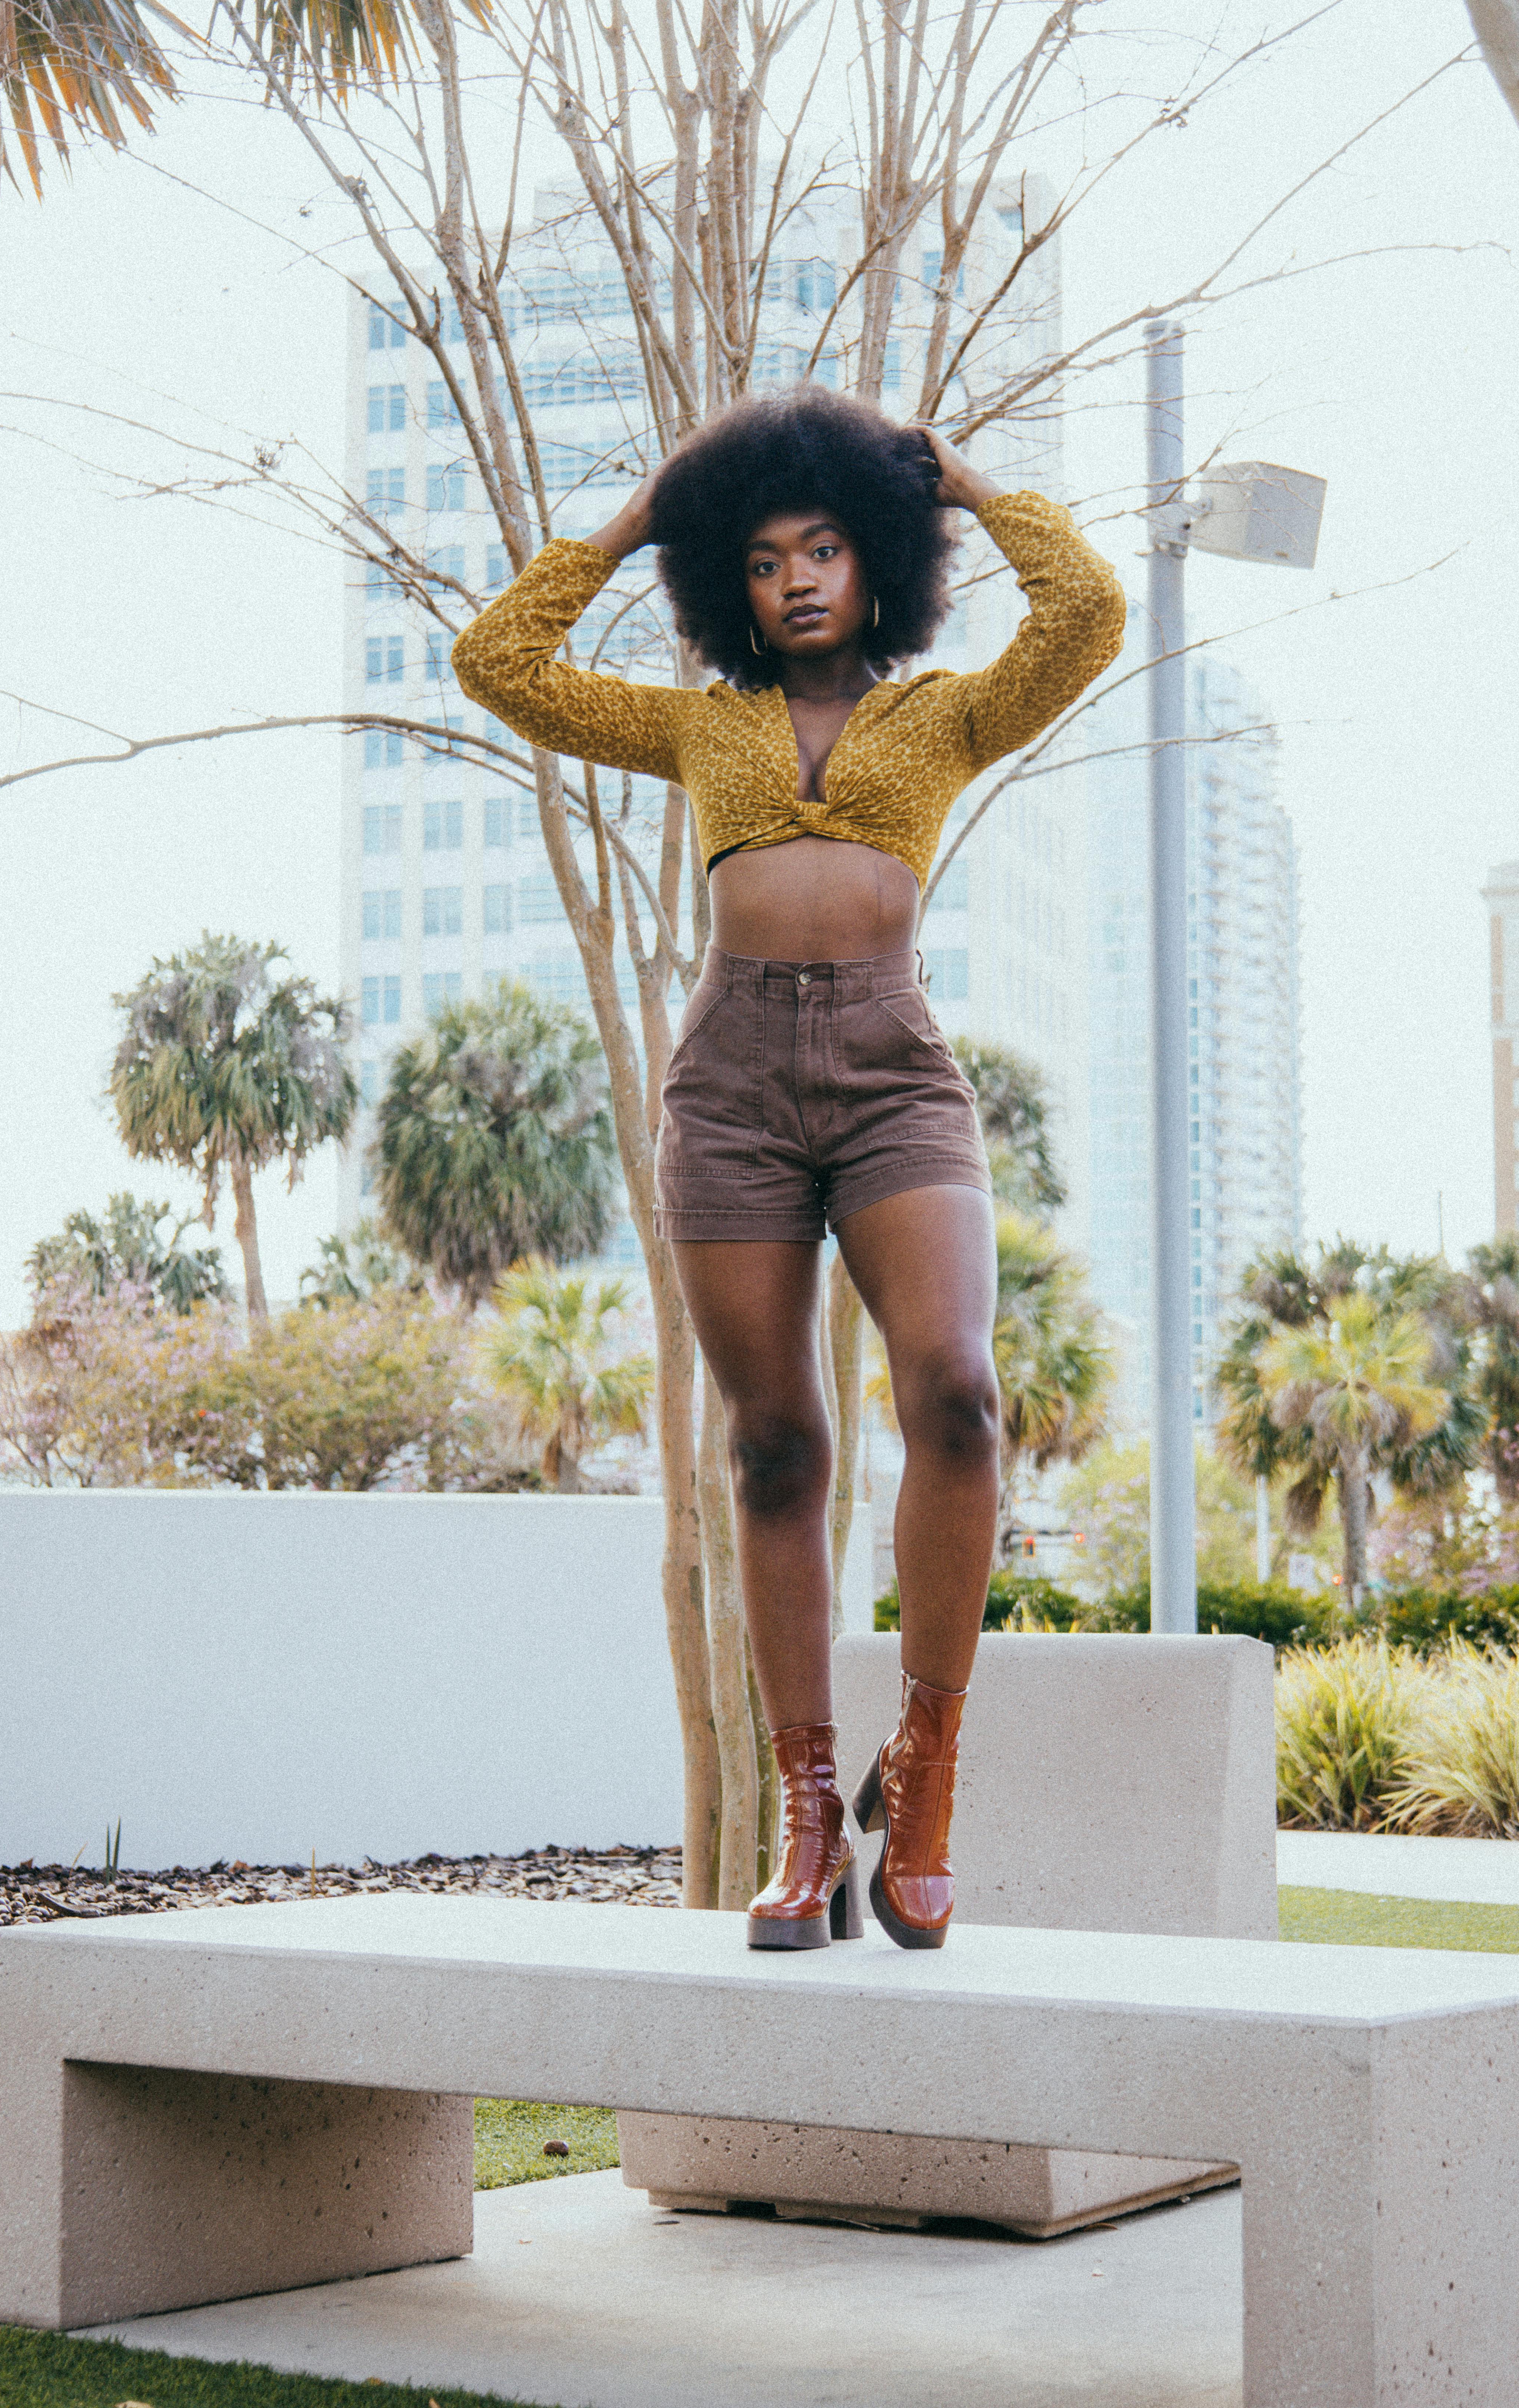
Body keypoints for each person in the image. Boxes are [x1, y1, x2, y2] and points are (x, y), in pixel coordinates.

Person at [453, 388, 1124, 1953]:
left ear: (879, 560)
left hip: (894, 1071)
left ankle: (929, 1765)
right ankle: (809, 1805)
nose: (798, 579)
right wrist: (640, 520)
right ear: (729, 587)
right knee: (773, 1447)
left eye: (826, 546)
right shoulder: (699, 725)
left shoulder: (948, 712)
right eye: (760, 560)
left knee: (958, 1388)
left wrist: (952, 475)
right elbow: (500, 665)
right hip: (735, 1082)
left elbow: (1084, 609)